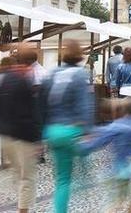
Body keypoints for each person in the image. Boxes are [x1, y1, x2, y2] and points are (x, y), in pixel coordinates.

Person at [41, 40, 94, 213]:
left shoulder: (52, 73)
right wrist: (88, 131)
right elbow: (85, 105)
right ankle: (85, 178)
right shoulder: (80, 75)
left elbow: (43, 103)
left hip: (53, 130)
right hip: (72, 130)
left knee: (62, 179)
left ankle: (58, 210)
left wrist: (43, 132)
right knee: (84, 157)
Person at [0, 44, 43, 213]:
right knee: (26, 178)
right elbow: (30, 112)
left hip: (6, 134)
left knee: (17, 175)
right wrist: (37, 139)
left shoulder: (5, 78)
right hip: (23, 137)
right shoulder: (23, 81)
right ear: (29, 63)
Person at [78, 97, 131, 213]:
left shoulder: (116, 126)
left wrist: (80, 146)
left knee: (114, 201)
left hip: (119, 170)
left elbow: (97, 142)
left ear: (123, 111)